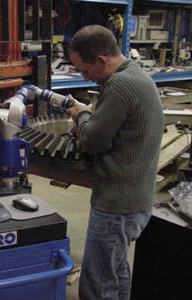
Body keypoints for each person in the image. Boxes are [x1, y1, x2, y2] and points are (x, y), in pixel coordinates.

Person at [66, 25, 164, 300]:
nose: (86, 78)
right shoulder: (137, 76)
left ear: (101, 60)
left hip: (117, 206)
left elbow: (93, 141)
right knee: (116, 270)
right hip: (137, 201)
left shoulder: (119, 85)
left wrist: (83, 115)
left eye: (86, 71)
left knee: (96, 284)